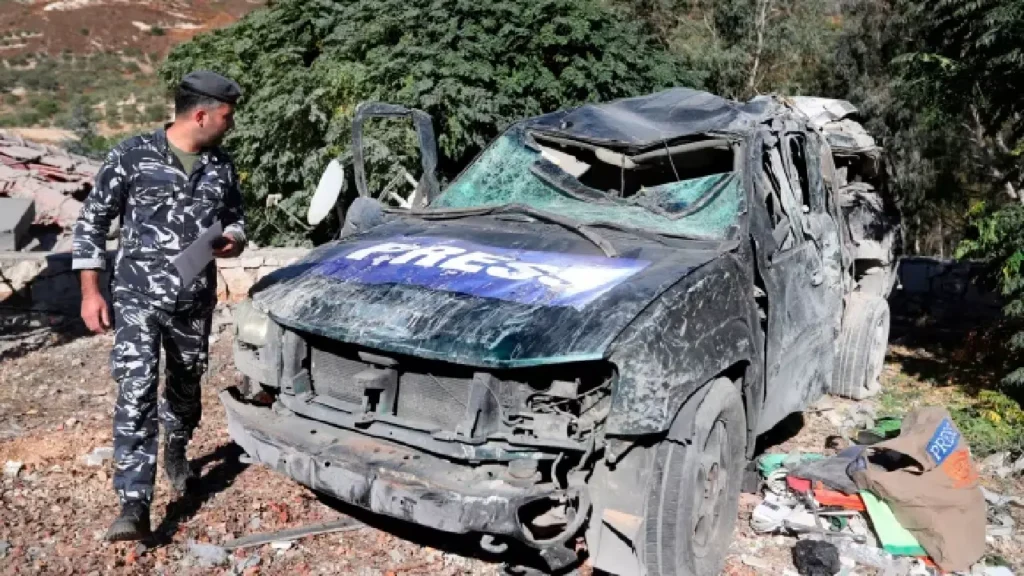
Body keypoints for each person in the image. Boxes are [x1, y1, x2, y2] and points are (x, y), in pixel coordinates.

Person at [72, 70, 247, 541]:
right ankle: (134, 503)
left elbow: (236, 219)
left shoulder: (221, 166)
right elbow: (91, 225)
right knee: (136, 391)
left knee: (187, 383)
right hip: (137, 299)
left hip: (193, 301)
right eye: (227, 117)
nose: (230, 125)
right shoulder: (130, 156)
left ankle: (178, 445)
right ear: (202, 114)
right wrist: (92, 292)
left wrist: (232, 239)